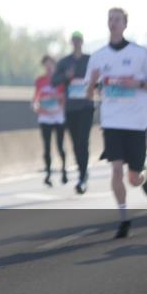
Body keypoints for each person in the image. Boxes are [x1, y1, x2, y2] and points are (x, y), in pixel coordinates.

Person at [86, 7, 147, 239]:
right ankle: (124, 218)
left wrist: (135, 84)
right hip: (112, 121)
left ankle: (144, 173)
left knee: (133, 178)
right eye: (110, 19)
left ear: (125, 24)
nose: (112, 23)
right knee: (116, 170)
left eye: (117, 19)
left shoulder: (139, 53)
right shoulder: (98, 57)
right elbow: (89, 95)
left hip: (137, 121)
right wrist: (93, 83)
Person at [52, 31, 95, 193]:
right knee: (76, 144)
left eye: (79, 40)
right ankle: (82, 171)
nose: (76, 43)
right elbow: (54, 81)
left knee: (83, 141)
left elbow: (98, 80)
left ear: (82, 42)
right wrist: (66, 76)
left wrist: (93, 86)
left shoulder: (89, 60)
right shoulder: (64, 62)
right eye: (74, 40)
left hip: (86, 107)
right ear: (72, 42)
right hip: (70, 108)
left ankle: (83, 176)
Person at [33, 56, 67, 186]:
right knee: (46, 147)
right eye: (46, 66)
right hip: (45, 116)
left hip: (58, 116)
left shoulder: (59, 80)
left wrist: (56, 99)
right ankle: (48, 173)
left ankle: (64, 169)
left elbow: (64, 96)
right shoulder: (40, 81)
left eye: (50, 65)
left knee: (60, 145)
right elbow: (36, 98)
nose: (48, 68)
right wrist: (38, 107)